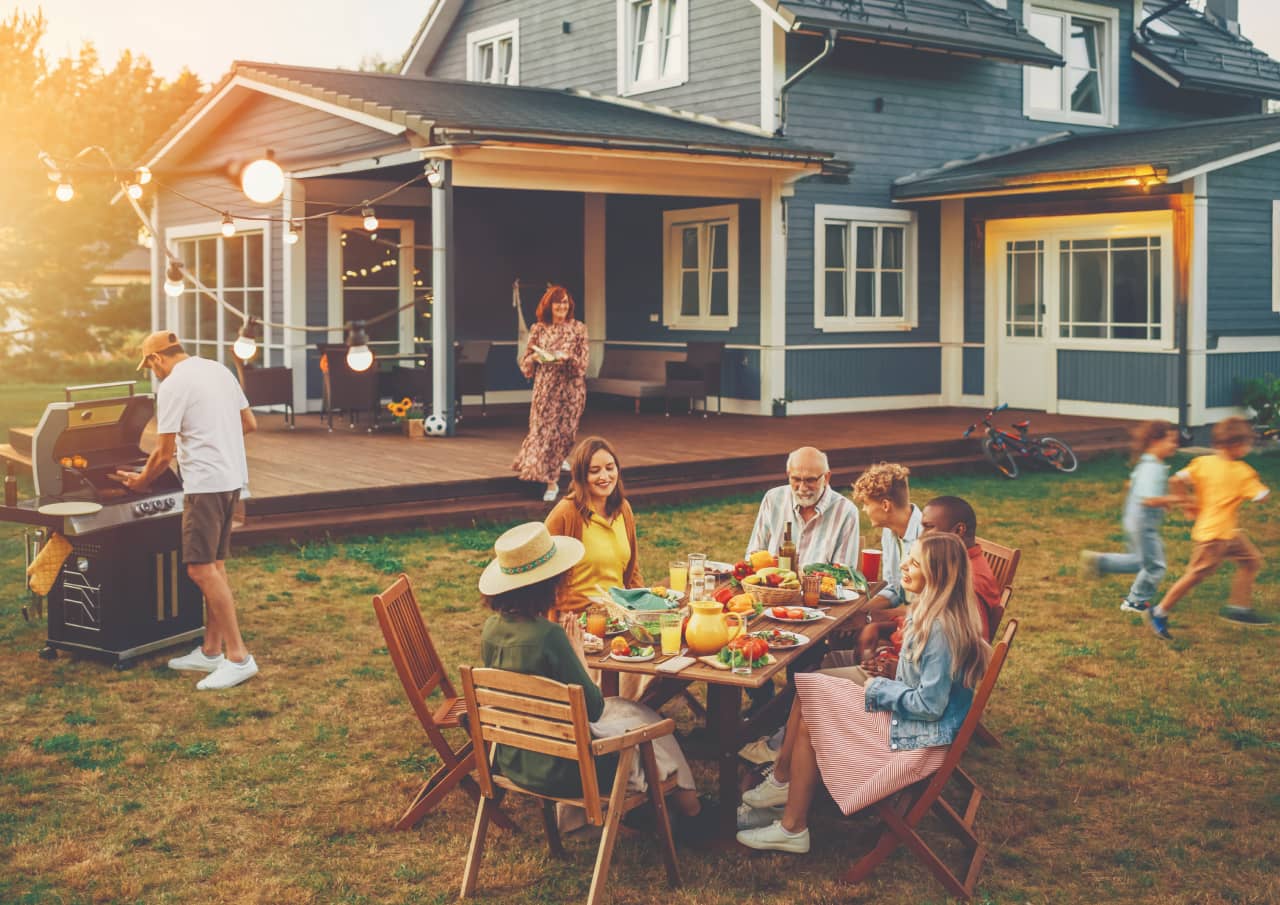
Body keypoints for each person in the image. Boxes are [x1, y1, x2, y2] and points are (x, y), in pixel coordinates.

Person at [735, 533, 990, 849]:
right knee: (810, 686)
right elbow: (925, 684)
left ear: (937, 575)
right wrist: (892, 674)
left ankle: (791, 822)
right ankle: (785, 790)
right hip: (909, 717)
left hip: (915, 736)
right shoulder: (936, 614)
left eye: (914, 563)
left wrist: (880, 687)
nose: (904, 566)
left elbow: (930, 705)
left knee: (811, 717)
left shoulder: (939, 628)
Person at [478, 522, 705, 836]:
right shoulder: (549, 637)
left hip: (516, 759)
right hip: (568, 768)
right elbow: (594, 708)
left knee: (631, 709)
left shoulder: (491, 630)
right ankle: (692, 813)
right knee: (651, 725)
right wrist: (579, 657)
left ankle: (668, 810)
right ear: (548, 584)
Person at [114, 331, 258, 690]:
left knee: (200, 570)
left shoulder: (173, 385)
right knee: (216, 566)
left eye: (151, 366)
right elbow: (248, 424)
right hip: (230, 480)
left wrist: (140, 483)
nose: (155, 373)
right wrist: (212, 441)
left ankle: (239, 657)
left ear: (156, 360)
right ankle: (211, 651)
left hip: (205, 486)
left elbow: (162, 455)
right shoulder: (218, 370)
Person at [1145, 416, 1270, 639]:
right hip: (1215, 537)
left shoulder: (1203, 462)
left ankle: (1239, 608)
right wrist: (1259, 490)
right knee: (1195, 574)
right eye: (1247, 443)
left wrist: (1187, 505)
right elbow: (1261, 496)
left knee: (1251, 561)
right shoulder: (1243, 472)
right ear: (1235, 445)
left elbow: (1176, 480)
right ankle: (1159, 611)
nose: (1249, 448)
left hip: (1226, 533)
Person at [1080, 421, 1180, 615]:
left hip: (1135, 520)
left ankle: (1098, 562)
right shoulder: (1153, 468)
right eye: (1171, 440)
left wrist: (1161, 500)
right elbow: (1149, 499)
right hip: (1144, 524)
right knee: (1155, 566)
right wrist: (1174, 498)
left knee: (1138, 561)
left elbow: (1130, 485)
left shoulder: (1147, 462)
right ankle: (1135, 601)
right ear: (1154, 441)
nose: (1175, 445)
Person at [544, 437, 642, 615]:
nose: (605, 477)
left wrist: (642, 607)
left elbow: (632, 570)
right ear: (582, 476)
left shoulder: (624, 509)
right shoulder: (566, 513)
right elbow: (544, 576)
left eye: (610, 468)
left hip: (620, 617)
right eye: (595, 471)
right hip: (577, 620)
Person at [513, 285, 590, 502]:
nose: (562, 307)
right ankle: (550, 482)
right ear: (549, 305)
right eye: (558, 303)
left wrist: (567, 358)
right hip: (545, 390)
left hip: (570, 391)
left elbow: (583, 364)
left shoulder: (578, 329)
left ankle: (555, 460)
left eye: (566, 303)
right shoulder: (538, 329)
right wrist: (535, 358)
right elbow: (525, 363)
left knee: (564, 435)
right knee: (544, 433)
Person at [745, 446, 860, 568]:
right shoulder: (772, 499)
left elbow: (843, 573)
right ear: (788, 474)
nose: (802, 488)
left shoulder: (846, 512)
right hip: (772, 585)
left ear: (826, 478)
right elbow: (753, 555)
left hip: (820, 586)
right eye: (796, 479)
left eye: (810, 480)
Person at [851, 462, 921, 612]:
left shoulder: (927, 540)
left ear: (885, 505)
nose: (864, 509)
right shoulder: (890, 532)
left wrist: (871, 618)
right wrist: (857, 611)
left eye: (866, 503)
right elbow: (894, 590)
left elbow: (927, 608)